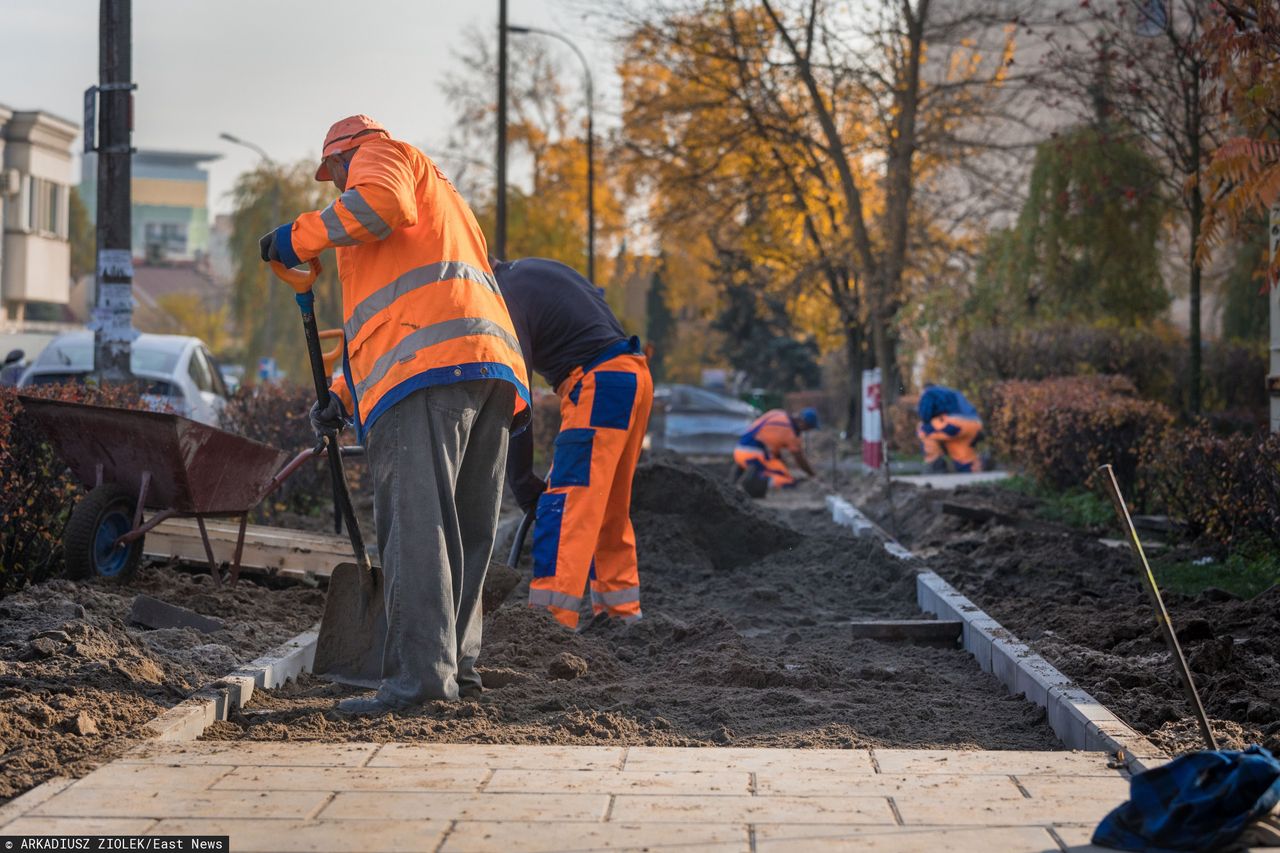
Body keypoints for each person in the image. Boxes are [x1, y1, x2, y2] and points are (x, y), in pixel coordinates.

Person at [259, 115, 530, 713]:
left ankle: (419, 683)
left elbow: (381, 203)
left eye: (335, 175)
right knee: (465, 529)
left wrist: (299, 237)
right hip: (487, 368)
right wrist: (343, 395)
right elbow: (394, 322)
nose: (338, 189)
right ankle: (458, 668)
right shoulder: (446, 202)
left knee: (418, 527)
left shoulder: (383, 157)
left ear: (344, 155)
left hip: (429, 378)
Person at [494, 257, 653, 630]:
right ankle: (622, 617)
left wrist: (520, 481)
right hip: (632, 376)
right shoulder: (531, 272)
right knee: (607, 509)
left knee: (564, 509)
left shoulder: (502, 296)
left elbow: (517, 388)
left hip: (598, 384)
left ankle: (549, 625)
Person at [733, 407, 819, 493]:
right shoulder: (791, 433)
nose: (806, 431)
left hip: (739, 450)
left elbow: (772, 443)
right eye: (808, 428)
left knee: (780, 467)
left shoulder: (778, 413)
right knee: (786, 479)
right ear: (803, 423)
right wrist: (812, 474)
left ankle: (741, 477)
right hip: (752, 455)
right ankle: (753, 483)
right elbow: (800, 459)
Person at [917, 383, 983, 473]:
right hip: (975, 424)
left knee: (923, 429)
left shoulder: (929, 392)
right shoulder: (952, 391)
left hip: (954, 424)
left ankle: (934, 463)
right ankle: (972, 471)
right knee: (960, 450)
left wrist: (927, 422)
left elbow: (925, 414)